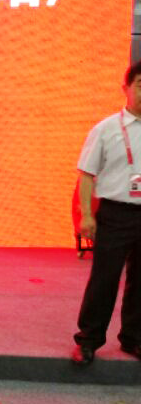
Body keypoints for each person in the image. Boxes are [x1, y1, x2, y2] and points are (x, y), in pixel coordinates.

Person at [72, 60, 141, 365]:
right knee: (104, 278)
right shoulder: (106, 129)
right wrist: (86, 215)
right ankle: (88, 340)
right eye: (140, 85)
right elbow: (87, 175)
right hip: (115, 213)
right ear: (126, 88)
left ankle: (133, 339)